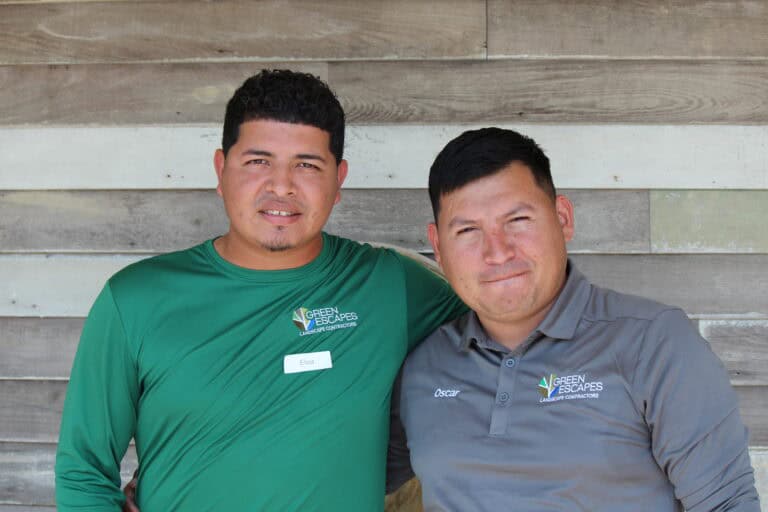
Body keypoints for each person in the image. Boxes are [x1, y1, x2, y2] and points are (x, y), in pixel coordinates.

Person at [55, 69, 465, 511]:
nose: (282, 185)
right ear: (221, 169)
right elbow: (83, 471)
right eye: (258, 161)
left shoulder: (390, 285)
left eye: (307, 165)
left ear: (339, 179)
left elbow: (510, 332)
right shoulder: (135, 301)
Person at [388, 127, 761, 511]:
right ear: (438, 247)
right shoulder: (421, 368)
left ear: (563, 218)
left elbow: (728, 504)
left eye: (517, 220)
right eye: (468, 230)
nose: (497, 252)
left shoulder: (654, 343)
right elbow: (343, 477)